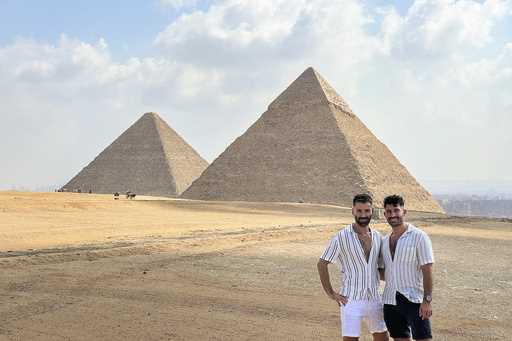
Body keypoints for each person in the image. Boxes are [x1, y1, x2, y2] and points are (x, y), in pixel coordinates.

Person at [317, 194, 389, 341]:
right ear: (353, 211)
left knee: (382, 338)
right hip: (351, 299)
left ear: (372, 211)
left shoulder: (378, 237)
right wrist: (331, 293)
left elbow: (380, 270)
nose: (363, 215)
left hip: (374, 297)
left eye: (367, 211)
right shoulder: (341, 237)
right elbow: (322, 263)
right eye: (359, 211)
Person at [381, 195, 434, 341]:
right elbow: (385, 271)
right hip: (390, 300)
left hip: (414, 300)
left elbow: (428, 270)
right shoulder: (384, 241)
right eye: (389, 211)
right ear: (384, 214)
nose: (393, 215)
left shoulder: (419, 237)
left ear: (404, 212)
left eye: (396, 210)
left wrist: (427, 301)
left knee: (424, 338)